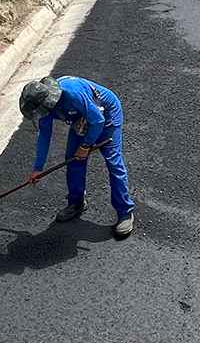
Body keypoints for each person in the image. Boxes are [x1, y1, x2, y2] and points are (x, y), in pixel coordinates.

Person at [20, 75, 135, 238]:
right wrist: (37, 169)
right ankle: (76, 202)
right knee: (73, 160)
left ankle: (125, 212)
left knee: (113, 162)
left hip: (106, 115)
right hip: (82, 120)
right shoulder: (43, 108)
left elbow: (98, 120)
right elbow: (44, 137)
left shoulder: (73, 94)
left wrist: (85, 146)